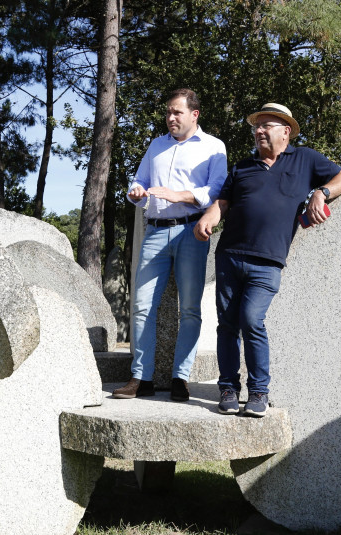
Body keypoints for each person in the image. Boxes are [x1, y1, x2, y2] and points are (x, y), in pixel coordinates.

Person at [194, 102, 341, 417]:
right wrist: (209, 217)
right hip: (229, 256)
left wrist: (321, 192)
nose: (259, 131)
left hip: (267, 262)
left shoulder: (306, 159)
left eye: (267, 126)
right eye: (257, 127)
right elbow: (222, 202)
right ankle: (228, 388)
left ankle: (258, 392)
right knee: (227, 325)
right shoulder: (242, 167)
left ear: (286, 132)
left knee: (252, 320)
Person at [112, 88, 228, 401]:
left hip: (191, 232)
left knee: (190, 309)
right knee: (141, 307)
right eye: (168, 112)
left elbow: (217, 191)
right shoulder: (156, 145)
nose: (171, 118)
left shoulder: (214, 148)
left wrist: (181, 194)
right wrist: (136, 192)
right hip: (154, 232)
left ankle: (180, 377)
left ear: (195, 114)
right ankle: (141, 378)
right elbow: (139, 182)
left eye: (177, 112)